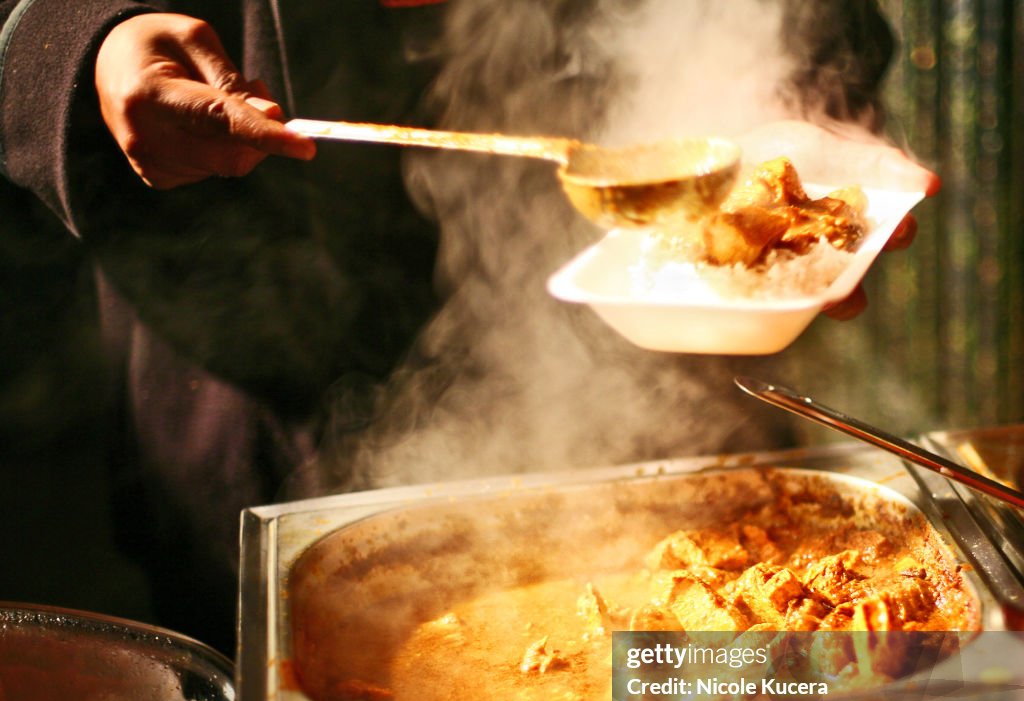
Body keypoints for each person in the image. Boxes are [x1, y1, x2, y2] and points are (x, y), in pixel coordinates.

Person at [0, 0, 936, 655]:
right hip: (255, 350)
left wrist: (789, 95)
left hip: (653, 361)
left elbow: (810, 18)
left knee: (720, 687)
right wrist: (91, 44)